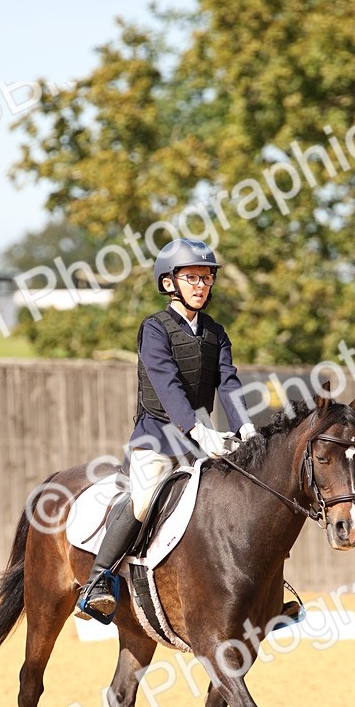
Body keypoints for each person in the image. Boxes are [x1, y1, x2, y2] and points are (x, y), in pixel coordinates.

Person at [77, 238, 256, 618]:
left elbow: (228, 382)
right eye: (191, 277)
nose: (200, 285)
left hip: (202, 435)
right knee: (142, 501)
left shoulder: (216, 332)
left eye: (206, 278)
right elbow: (167, 382)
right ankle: (98, 581)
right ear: (169, 282)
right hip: (157, 436)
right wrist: (197, 428)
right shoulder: (154, 329)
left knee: (240, 493)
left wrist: (246, 428)